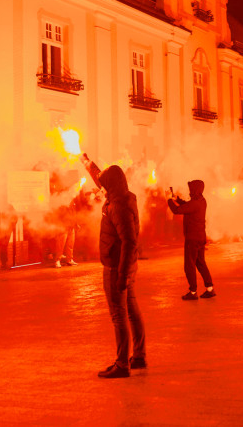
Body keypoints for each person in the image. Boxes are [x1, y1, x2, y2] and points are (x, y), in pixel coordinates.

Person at [80, 152, 146, 378]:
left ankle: (122, 364)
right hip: (125, 265)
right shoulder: (124, 195)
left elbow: (129, 241)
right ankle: (138, 356)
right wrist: (88, 163)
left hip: (117, 267)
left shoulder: (118, 206)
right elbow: (103, 179)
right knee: (132, 310)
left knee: (119, 315)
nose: (101, 186)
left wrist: (121, 274)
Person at [168, 180, 215, 300]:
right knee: (201, 263)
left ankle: (193, 292)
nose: (190, 191)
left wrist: (169, 200)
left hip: (192, 239)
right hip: (200, 237)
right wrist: (176, 199)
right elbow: (187, 206)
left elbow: (177, 210)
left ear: (195, 190)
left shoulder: (195, 203)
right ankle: (210, 289)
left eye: (191, 189)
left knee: (189, 265)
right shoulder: (201, 200)